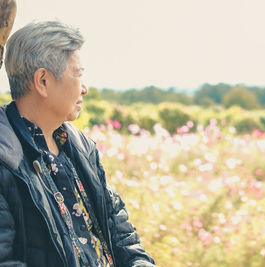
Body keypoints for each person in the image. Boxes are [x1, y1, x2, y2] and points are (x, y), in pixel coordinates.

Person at [0, 21, 156, 267]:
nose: (85, 88)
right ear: (43, 81)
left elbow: (120, 232)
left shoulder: (81, 147)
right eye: (78, 74)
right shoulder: (5, 159)